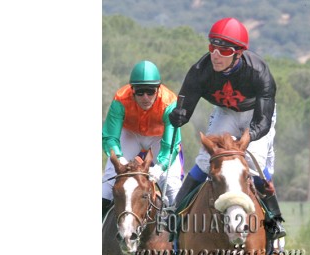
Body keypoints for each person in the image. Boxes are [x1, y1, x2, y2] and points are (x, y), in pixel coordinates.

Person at [168, 17, 286, 240]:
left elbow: (262, 122)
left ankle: (274, 219)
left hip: (256, 115)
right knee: (206, 159)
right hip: (225, 112)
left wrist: (248, 136)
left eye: (224, 51)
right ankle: (175, 212)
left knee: (253, 162)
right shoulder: (200, 71)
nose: (215, 55)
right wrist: (178, 116)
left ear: (238, 53)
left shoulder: (259, 71)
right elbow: (184, 111)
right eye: (212, 47)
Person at [102, 60, 184, 220]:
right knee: (109, 180)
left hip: (160, 138)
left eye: (150, 92)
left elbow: (170, 145)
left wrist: (160, 167)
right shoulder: (120, 99)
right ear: (132, 90)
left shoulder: (169, 102)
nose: (145, 97)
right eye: (140, 92)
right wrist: (119, 158)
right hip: (130, 135)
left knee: (172, 185)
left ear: (158, 89)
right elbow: (110, 137)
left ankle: (179, 231)